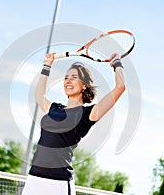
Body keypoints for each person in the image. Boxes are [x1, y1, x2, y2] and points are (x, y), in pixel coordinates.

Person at [21, 53, 126, 195]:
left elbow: (121, 87)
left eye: (74, 77)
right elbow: (39, 95)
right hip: (35, 177)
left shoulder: (88, 114)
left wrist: (117, 64)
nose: (68, 81)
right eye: (66, 78)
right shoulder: (54, 108)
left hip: (59, 183)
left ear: (84, 85)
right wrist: (47, 65)